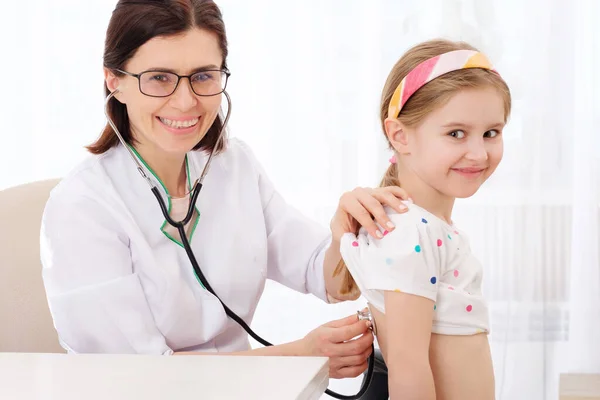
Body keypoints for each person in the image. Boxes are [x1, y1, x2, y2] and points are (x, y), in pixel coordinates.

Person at [39, 0, 409, 392]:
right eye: (160, 78)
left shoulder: (233, 167)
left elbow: (331, 279)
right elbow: (138, 375)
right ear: (115, 81)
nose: (185, 101)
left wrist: (345, 232)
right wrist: (301, 356)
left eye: (203, 76)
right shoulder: (82, 207)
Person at [333, 39, 511, 399]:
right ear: (399, 135)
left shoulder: (429, 228)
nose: (478, 152)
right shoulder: (408, 231)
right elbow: (408, 368)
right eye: (456, 133)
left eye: (491, 132)